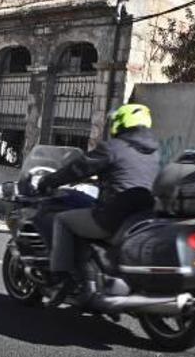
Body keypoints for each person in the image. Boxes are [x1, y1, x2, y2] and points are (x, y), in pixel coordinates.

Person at [37, 103, 161, 303]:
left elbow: (78, 168)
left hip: (113, 217)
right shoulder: (153, 152)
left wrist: (48, 181)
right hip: (141, 217)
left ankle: (62, 278)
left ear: (120, 123)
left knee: (62, 220)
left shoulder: (113, 148)